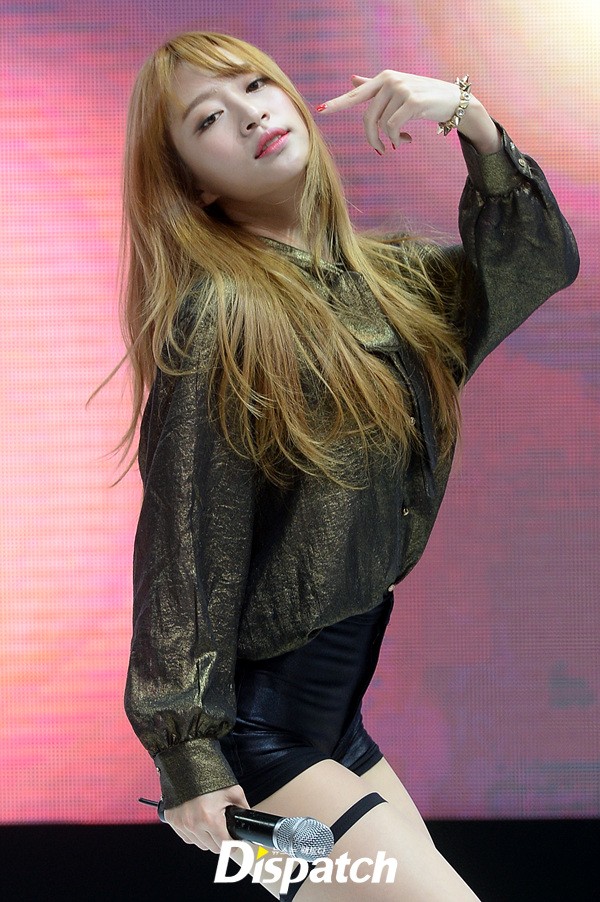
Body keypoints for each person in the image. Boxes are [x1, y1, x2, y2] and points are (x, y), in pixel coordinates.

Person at [120, 30, 578, 901]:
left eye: (256, 84)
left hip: (335, 729)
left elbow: (537, 263)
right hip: (255, 747)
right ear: (195, 183)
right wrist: (187, 756)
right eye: (208, 118)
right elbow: (184, 545)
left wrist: (471, 119)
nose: (249, 113)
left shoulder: (392, 284)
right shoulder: (219, 315)